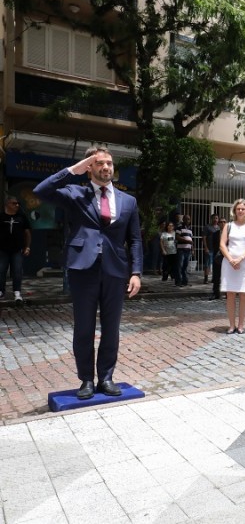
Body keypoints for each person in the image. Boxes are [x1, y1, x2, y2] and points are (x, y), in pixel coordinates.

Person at [33, 146, 143, 399]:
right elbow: (41, 190)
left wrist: (135, 272)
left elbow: (135, 239)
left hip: (115, 270)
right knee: (84, 327)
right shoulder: (75, 193)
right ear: (89, 167)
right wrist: (73, 170)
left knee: (112, 327)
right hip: (83, 268)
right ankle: (86, 380)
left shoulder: (129, 201)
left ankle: (106, 377)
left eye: (109, 163)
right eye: (100, 163)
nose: (106, 167)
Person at [219, 199, 245, 334]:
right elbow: (222, 244)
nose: (240, 211)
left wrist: (240, 258)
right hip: (229, 263)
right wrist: (230, 259)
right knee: (230, 294)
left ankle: (241, 325)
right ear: (234, 211)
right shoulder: (228, 225)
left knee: (243, 294)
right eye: (238, 209)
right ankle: (231, 324)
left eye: (243, 209)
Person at [0, 195, 32, 304]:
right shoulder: (1, 217)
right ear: (7, 204)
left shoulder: (21, 217)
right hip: (2, 249)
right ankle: (1, 291)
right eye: (14, 203)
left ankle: (17, 292)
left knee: (17, 271)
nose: (17, 205)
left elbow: (27, 233)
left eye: (17, 203)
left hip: (17, 249)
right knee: (1, 270)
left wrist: (27, 246)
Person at [208, 218, 227, 300]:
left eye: (224, 222)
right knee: (216, 276)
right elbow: (212, 245)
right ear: (218, 224)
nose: (222, 223)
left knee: (227, 276)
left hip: (227, 258)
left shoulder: (230, 234)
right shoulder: (215, 234)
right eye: (221, 222)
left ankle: (228, 294)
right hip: (217, 257)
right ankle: (216, 293)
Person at [175, 213, 193, 287]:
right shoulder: (179, 227)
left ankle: (185, 281)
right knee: (180, 266)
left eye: (188, 219)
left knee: (185, 266)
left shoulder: (190, 229)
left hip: (188, 250)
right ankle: (178, 282)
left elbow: (191, 240)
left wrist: (193, 248)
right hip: (181, 250)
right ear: (183, 219)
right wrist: (187, 241)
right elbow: (177, 237)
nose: (187, 220)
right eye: (186, 219)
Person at [203, 214, 220, 284]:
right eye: (214, 218)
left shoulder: (219, 228)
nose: (215, 220)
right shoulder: (207, 227)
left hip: (217, 249)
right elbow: (204, 237)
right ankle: (206, 278)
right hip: (209, 248)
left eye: (216, 218)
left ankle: (214, 278)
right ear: (211, 219)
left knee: (216, 264)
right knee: (207, 264)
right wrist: (206, 247)